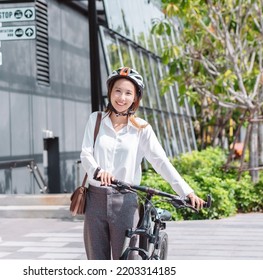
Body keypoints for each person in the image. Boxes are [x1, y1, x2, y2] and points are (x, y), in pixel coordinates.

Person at [80, 66, 205, 260]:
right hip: (95, 200)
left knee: (130, 263)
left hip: (125, 201)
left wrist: (186, 191)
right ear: (110, 92)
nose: (121, 97)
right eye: (117, 91)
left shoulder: (142, 129)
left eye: (128, 93)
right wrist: (98, 170)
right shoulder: (95, 120)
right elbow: (86, 153)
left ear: (135, 98)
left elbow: (160, 161)